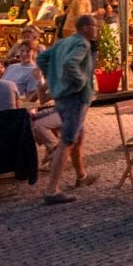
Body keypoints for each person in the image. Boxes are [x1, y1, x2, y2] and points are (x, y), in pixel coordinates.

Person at [38, 14, 99, 203]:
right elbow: (70, 64)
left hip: (63, 96)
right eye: (94, 26)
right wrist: (80, 83)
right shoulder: (82, 44)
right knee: (67, 140)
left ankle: (81, 175)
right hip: (74, 98)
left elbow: (42, 58)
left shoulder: (63, 42)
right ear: (85, 27)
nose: (97, 29)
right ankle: (51, 190)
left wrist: (54, 80)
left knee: (78, 136)